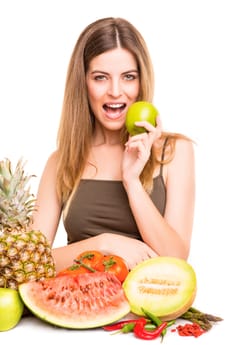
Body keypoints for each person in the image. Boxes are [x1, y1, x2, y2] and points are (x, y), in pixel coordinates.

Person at [32, 17, 195, 273]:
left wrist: (131, 181)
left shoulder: (174, 152)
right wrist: (103, 244)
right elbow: (31, 262)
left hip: (148, 308)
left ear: (141, 82)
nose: (116, 91)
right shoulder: (61, 161)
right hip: (79, 305)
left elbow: (175, 262)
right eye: (100, 78)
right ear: (83, 83)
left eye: (129, 77)